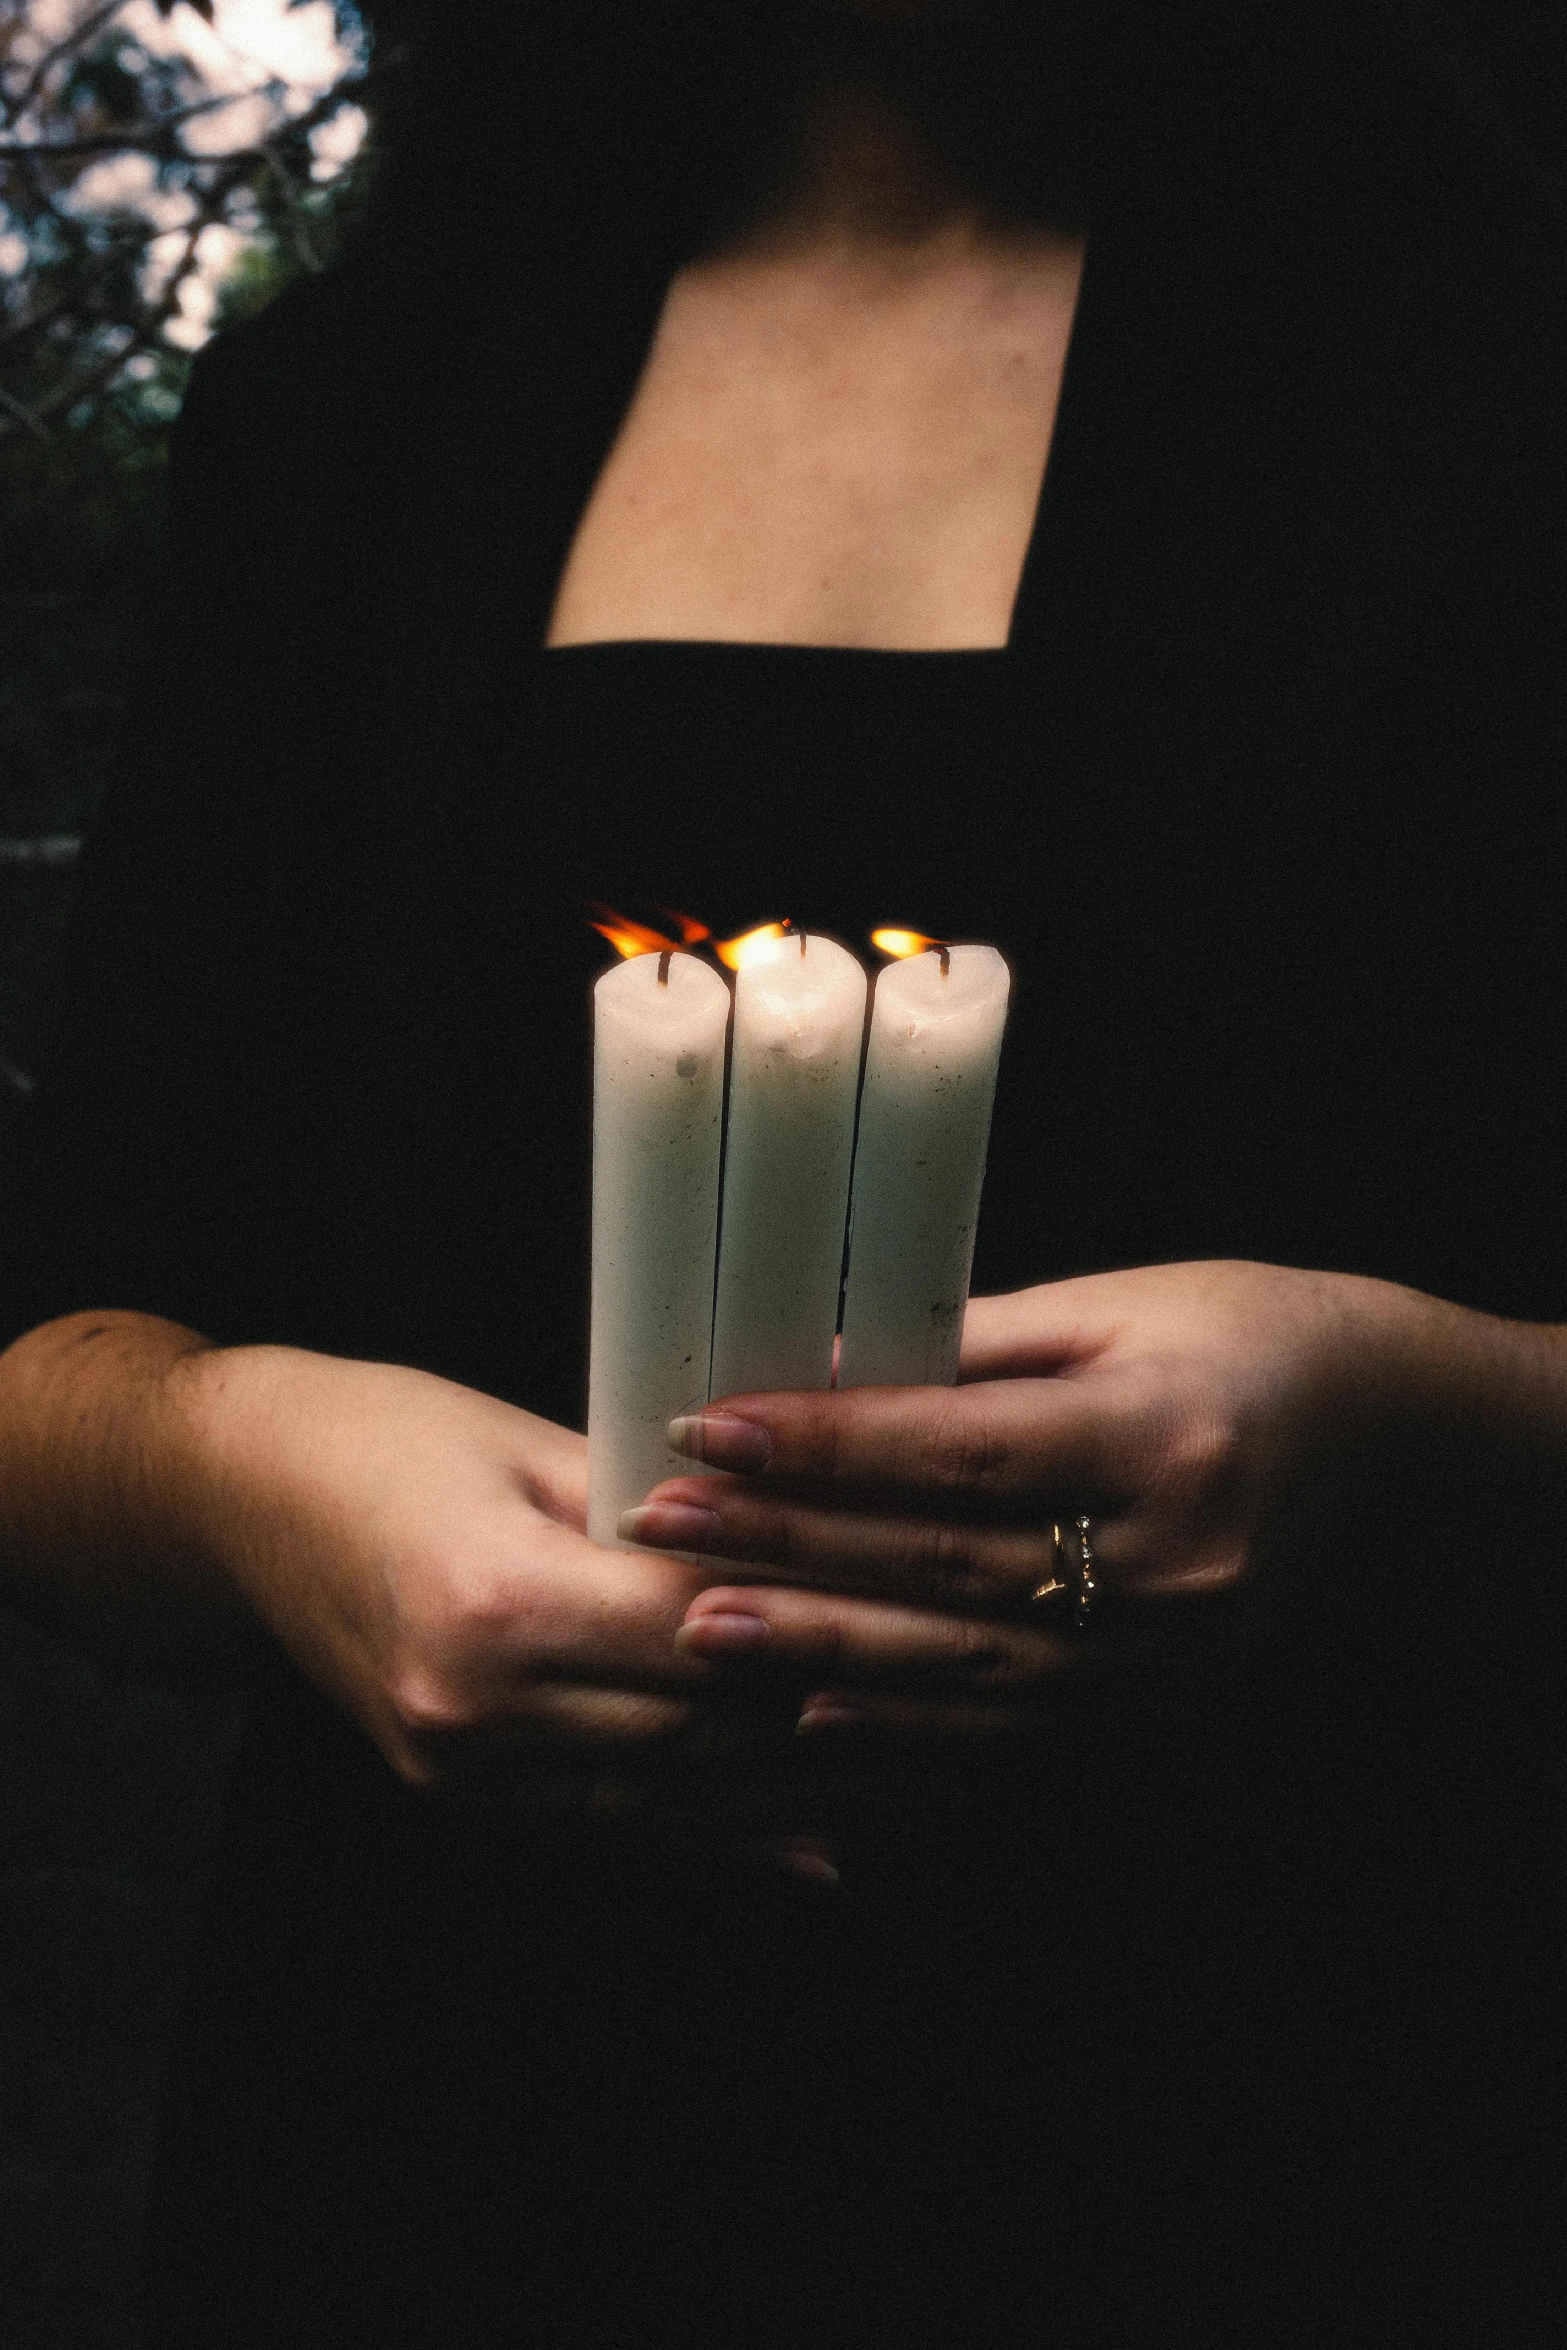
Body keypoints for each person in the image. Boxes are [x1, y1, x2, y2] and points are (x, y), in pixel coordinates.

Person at [2, 1, 1565, 2340]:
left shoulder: (1486, 383)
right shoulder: (363, 408)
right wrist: (248, 1469)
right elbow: (63, 1353)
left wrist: (1388, 1413)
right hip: (440, 2144)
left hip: (1267, 2130)